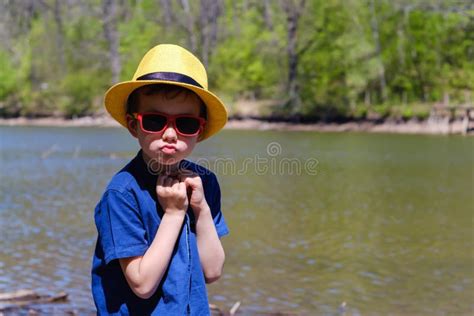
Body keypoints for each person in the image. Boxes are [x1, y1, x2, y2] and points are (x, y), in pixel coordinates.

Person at [91, 44, 229, 315]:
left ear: (199, 132)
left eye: (185, 124)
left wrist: (200, 210)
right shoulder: (121, 194)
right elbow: (142, 284)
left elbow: (212, 271)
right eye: (155, 121)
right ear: (133, 126)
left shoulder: (205, 184)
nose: (169, 134)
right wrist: (175, 214)